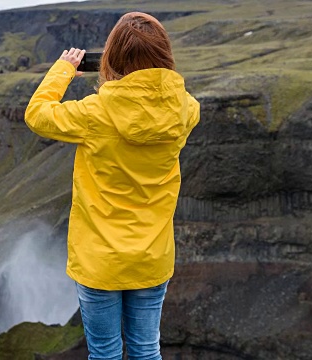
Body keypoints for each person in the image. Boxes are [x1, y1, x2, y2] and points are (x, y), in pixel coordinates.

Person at [24, 12, 200, 360]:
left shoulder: (95, 113)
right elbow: (162, 99)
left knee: (104, 352)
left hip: (99, 259)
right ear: (165, 57)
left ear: (112, 59)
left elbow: (37, 114)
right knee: (146, 349)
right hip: (151, 256)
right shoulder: (186, 110)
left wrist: (63, 70)